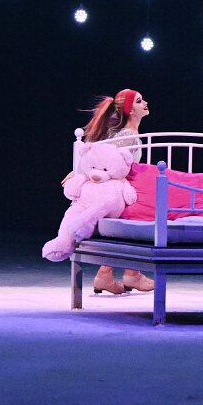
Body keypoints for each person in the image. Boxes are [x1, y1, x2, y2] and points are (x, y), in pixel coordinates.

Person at [72, 88, 156, 295]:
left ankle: (125, 273)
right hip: (115, 191)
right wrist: (78, 172)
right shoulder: (127, 136)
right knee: (142, 213)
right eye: (139, 101)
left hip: (118, 189)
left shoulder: (128, 134)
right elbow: (106, 160)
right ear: (130, 110)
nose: (145, 103)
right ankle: (117, 274)